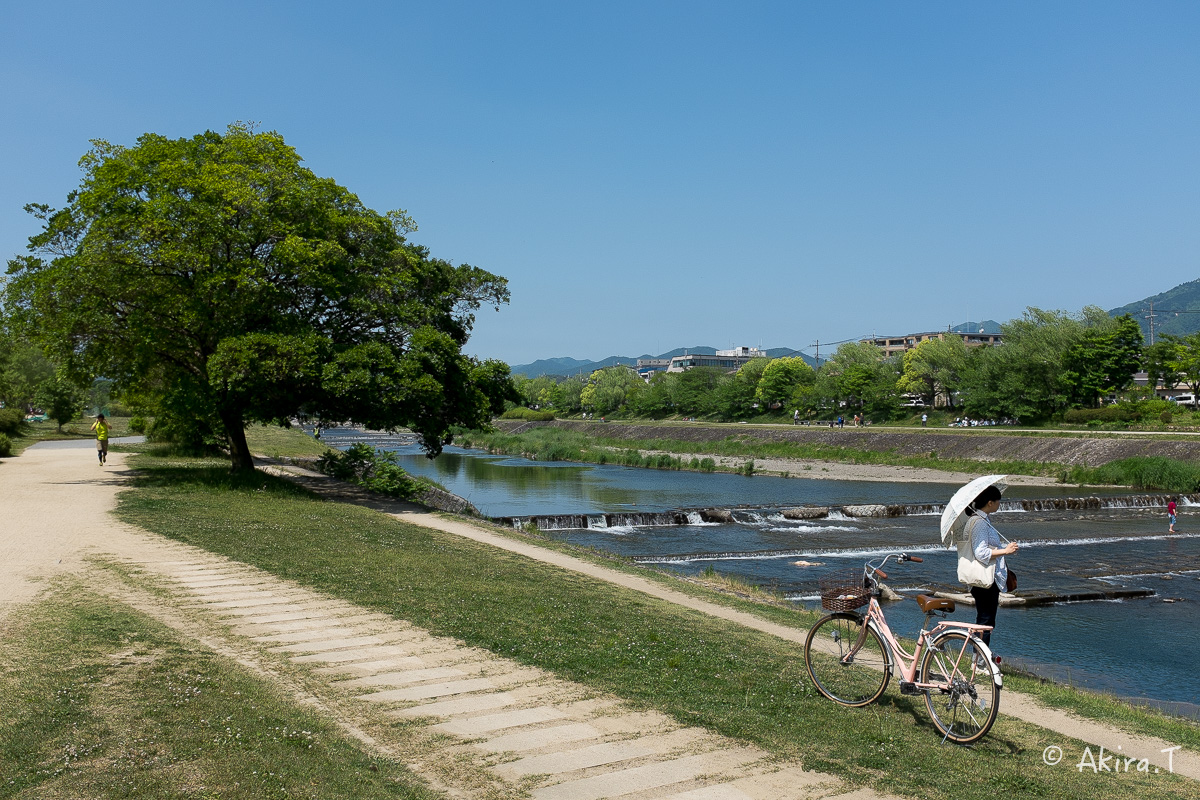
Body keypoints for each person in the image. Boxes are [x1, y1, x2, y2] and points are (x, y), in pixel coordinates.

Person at [964, 484, 1018, 651]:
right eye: (998, 501)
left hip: (983, 579)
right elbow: (980, 552)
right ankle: (980, 660)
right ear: (990, 503)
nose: (999, 504)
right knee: (986, 621)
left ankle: (979, 658)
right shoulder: (979, 522)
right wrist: (1005, 551)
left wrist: (1000, 549)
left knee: (985, 619)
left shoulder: (980, 519)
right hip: (985, 579)